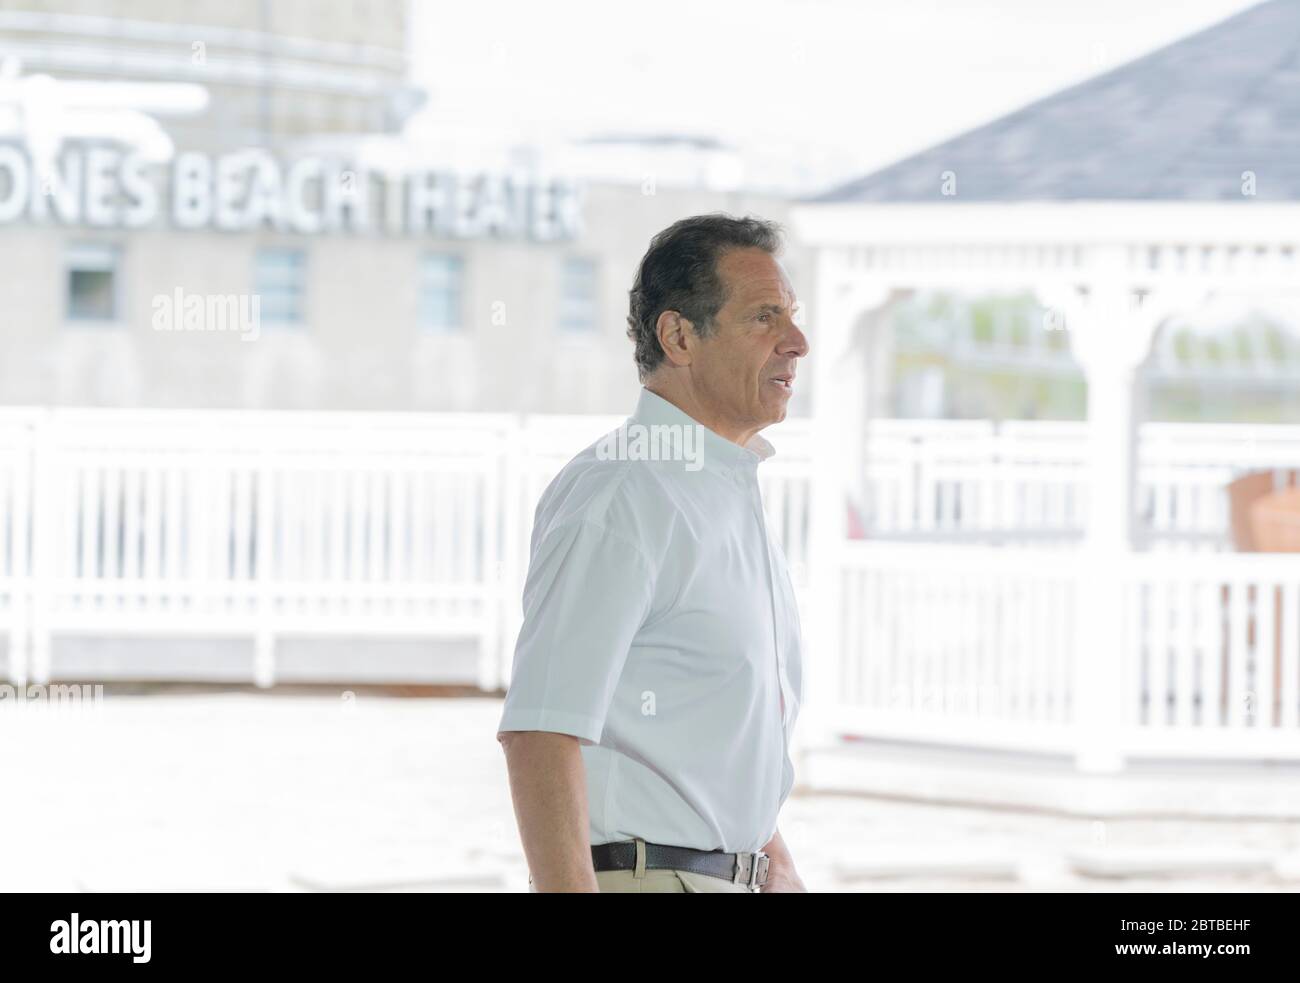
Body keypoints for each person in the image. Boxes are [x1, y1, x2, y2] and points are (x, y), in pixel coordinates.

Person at [497, 213, 809, 893]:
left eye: (792, 316)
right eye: (765, 318)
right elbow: (540, 733)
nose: (798, 342)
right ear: (678, 336)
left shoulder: (719, 488)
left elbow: (697, 729)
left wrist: (770, 858)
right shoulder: (622, 492)